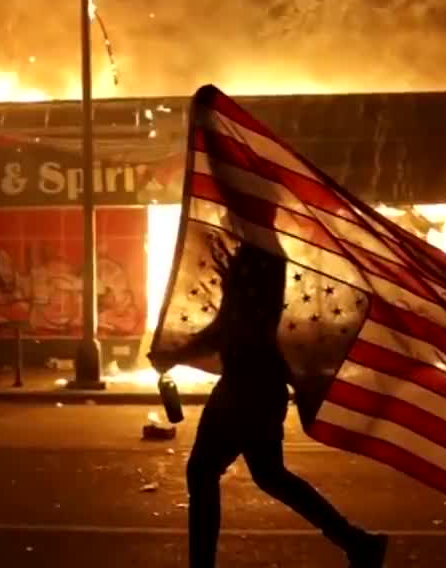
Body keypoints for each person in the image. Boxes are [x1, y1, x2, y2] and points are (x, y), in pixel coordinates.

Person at [150, 238, 387, 568]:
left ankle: (356, 541)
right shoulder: (261, 251)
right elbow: (231, 324)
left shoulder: (259, 255)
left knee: (206, 471)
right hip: (256, 383)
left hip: (248, 385)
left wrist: (176, 354)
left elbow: (232, 327)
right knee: (267, 474)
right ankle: (357, 542)